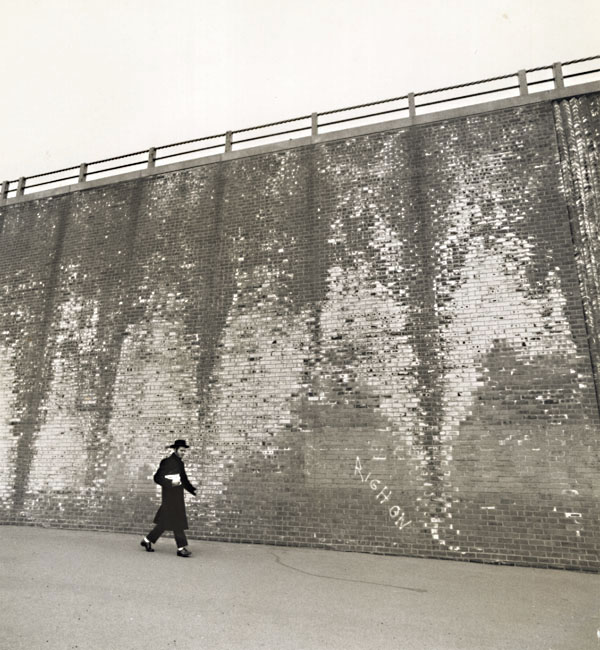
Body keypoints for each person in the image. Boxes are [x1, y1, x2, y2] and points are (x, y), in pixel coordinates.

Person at [141, 439, 197, 557]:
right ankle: (181, 548)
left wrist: (194, 491)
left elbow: (184, 480)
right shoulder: (166, 462)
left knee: (164, 523)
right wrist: (171, 482)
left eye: (184, 451)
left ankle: (147, 540)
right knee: (177, 522)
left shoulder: (180, 463)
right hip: (169, 497)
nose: (183, 453)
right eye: (181, 450)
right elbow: (157, 478)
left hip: (178, 497)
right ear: (175, 450)